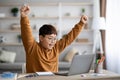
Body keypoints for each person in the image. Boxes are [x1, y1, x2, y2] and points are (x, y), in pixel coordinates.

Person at [20, 5, 88, 73]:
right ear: (41, 38)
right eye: (50, 38)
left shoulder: (56, 47)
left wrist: (81, 24)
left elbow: (69, 38)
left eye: (55, 39)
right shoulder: (32, 47)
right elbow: (26, 32)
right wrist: (24, 17)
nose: (53, 41)